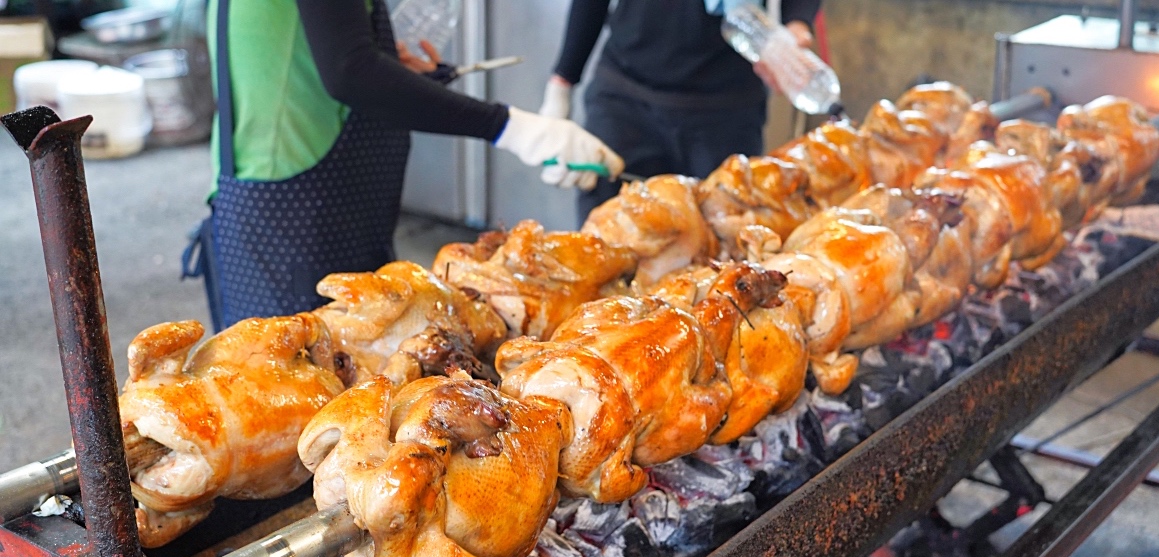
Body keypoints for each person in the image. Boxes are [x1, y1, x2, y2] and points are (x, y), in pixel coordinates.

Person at [187, 0, 623, 331]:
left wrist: (395, 73)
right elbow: (349, 72)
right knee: (296, 390)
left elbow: (325, 55)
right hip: (293, 215)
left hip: (319, 200)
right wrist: (513, 129)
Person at [539, 0, 822, 225]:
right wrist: (561, 84)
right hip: (626, 102)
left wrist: (796, 25)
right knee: (607, 240)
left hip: (726, 112)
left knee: (721, 256)